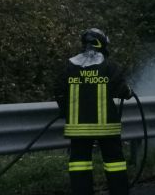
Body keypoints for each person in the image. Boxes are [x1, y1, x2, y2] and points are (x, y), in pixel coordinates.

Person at [54, 28, 133, 195]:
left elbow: (59, 90)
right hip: (106, 127)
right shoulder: (109, 66)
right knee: (114, 163)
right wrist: (128, 92)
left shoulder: (70, 66)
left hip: (78, 127)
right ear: (102, 44)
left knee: (79, 164)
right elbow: (121, 90)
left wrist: (65, 111)